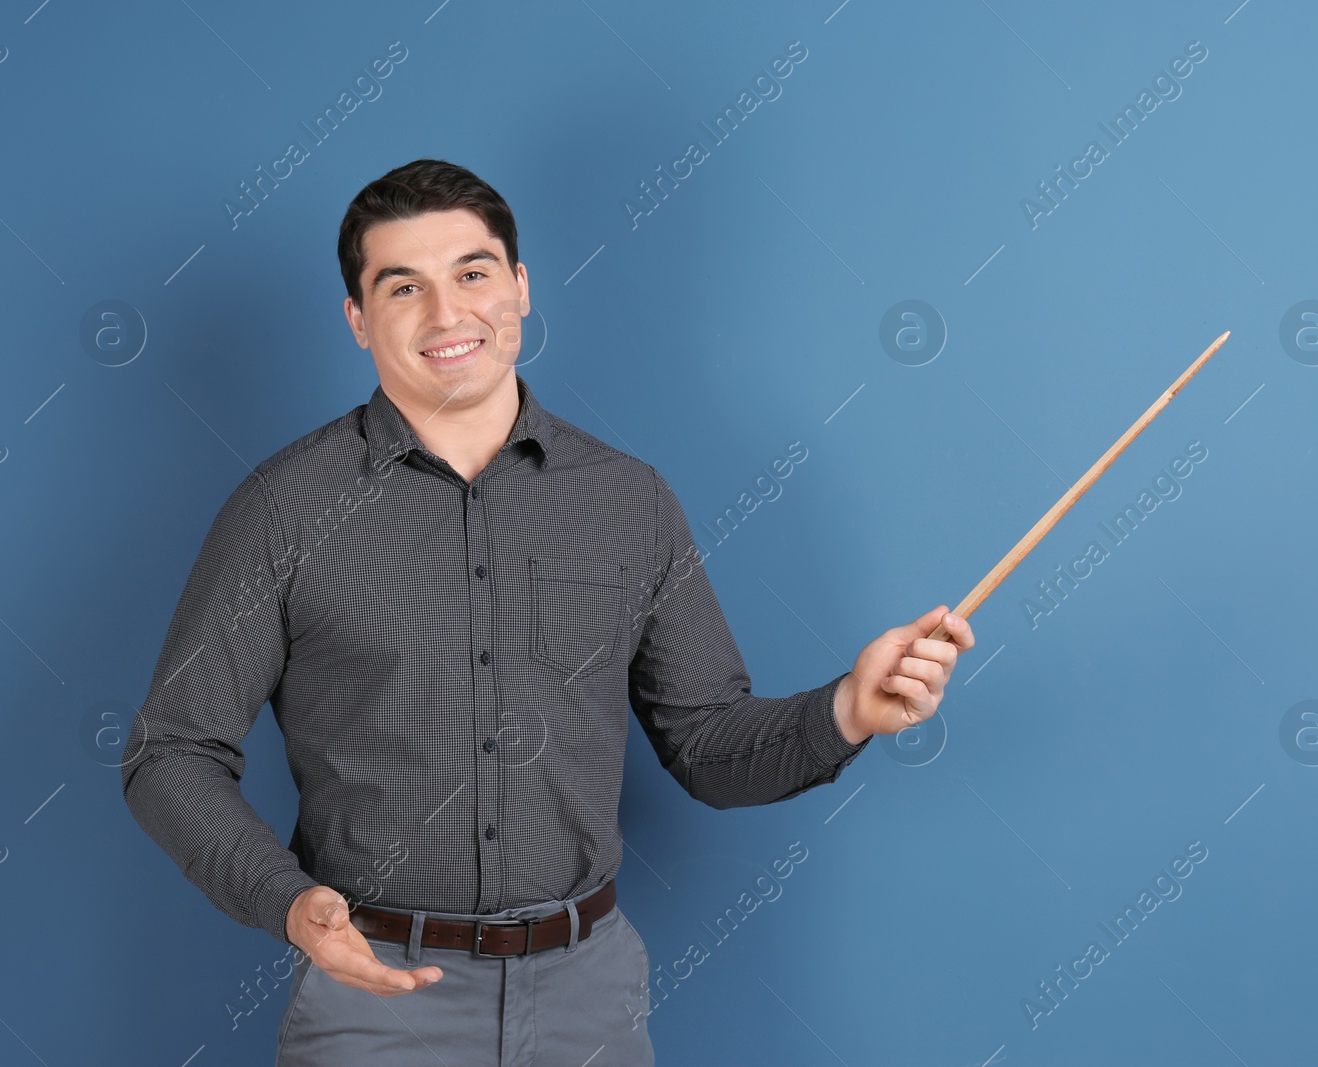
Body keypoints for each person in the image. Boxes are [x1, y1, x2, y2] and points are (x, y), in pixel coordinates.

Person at [121, 158, 976, 1066]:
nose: (448, 315)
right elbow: (171, 752)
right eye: (404, 287)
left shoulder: (630, 501)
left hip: (587, 1000)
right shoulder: (282, 508)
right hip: (374, 1002)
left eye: (474, 273)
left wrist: (847, 708)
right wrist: (287, 902)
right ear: (358, 320)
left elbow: (708, 744)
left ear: (521, 289)